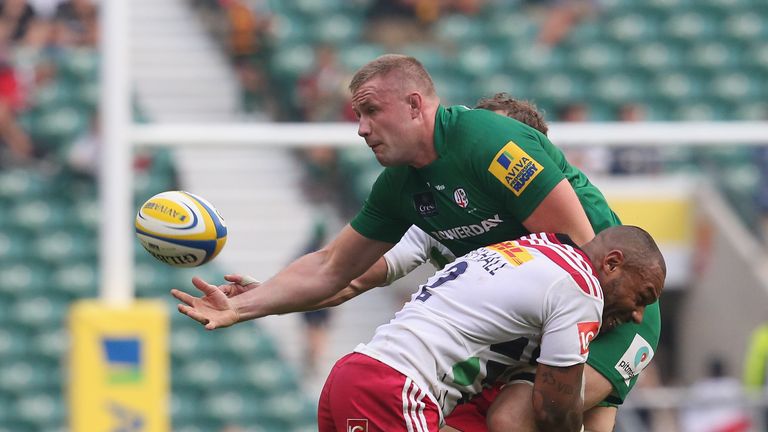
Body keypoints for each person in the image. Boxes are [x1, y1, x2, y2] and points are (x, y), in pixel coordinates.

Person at [171, 55, 660, 428]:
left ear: (414, 105)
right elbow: (336, 271)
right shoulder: (410, 190)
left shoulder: (491, 145)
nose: (360, 129)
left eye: (368, 112)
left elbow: (581, 256)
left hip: (614, 308)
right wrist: (249, 304)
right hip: (541, 321)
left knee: (517, 419)